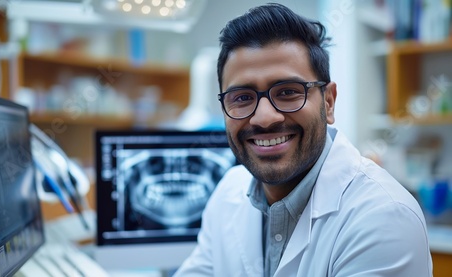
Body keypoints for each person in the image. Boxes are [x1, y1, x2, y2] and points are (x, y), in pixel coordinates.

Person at [173, 3, 432, 277]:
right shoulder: (227, 194)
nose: (264, 117)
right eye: (242, 98)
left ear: (329, 102)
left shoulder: (384, 218)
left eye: (287, 92)